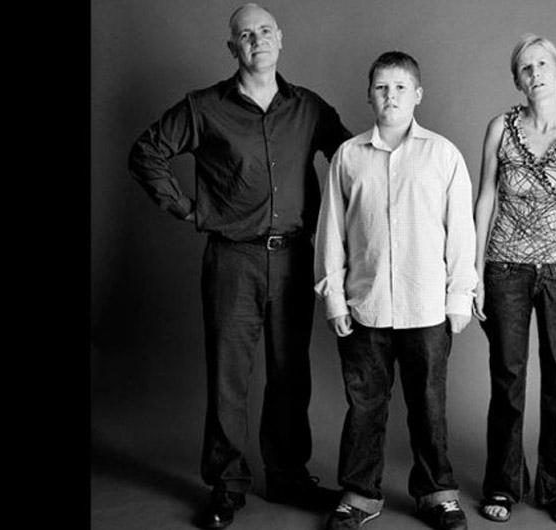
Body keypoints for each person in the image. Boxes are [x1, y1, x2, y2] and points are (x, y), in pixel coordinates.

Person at [127, 4, 352, 528]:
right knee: (229, 376)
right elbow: (147, 152)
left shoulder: (309, 107)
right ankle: (226, 486)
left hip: (296, 259)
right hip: (233, 259)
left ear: (281, 38)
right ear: (233, 48)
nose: (257, 39)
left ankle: (288, 476)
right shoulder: (204, 107)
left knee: (290, 373)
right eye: (246, 34)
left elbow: (351, 159)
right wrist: (188, 208)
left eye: (265, 30)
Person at [314, 51, 477, 530]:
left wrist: (459, 298)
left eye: (401, 87)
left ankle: (437, 494)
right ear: (369, 95)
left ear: (418, 94)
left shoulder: (443, 155)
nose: (391, 96)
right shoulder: (348, 156)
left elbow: (461, 232)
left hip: (426, 306)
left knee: (429, 405)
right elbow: (331, 232)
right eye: (382, 87)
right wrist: (334, 299)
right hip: (365, 306)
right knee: (365, 405)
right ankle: (359, 495)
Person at [472, 33, 556, 526]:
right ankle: (503, 484)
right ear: (517, 80)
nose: (536, 74)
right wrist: (474, 274)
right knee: (507, 379)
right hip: (505, 269)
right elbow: (485, 199)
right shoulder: (500, 128)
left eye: (543, 64)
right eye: (526, 68)